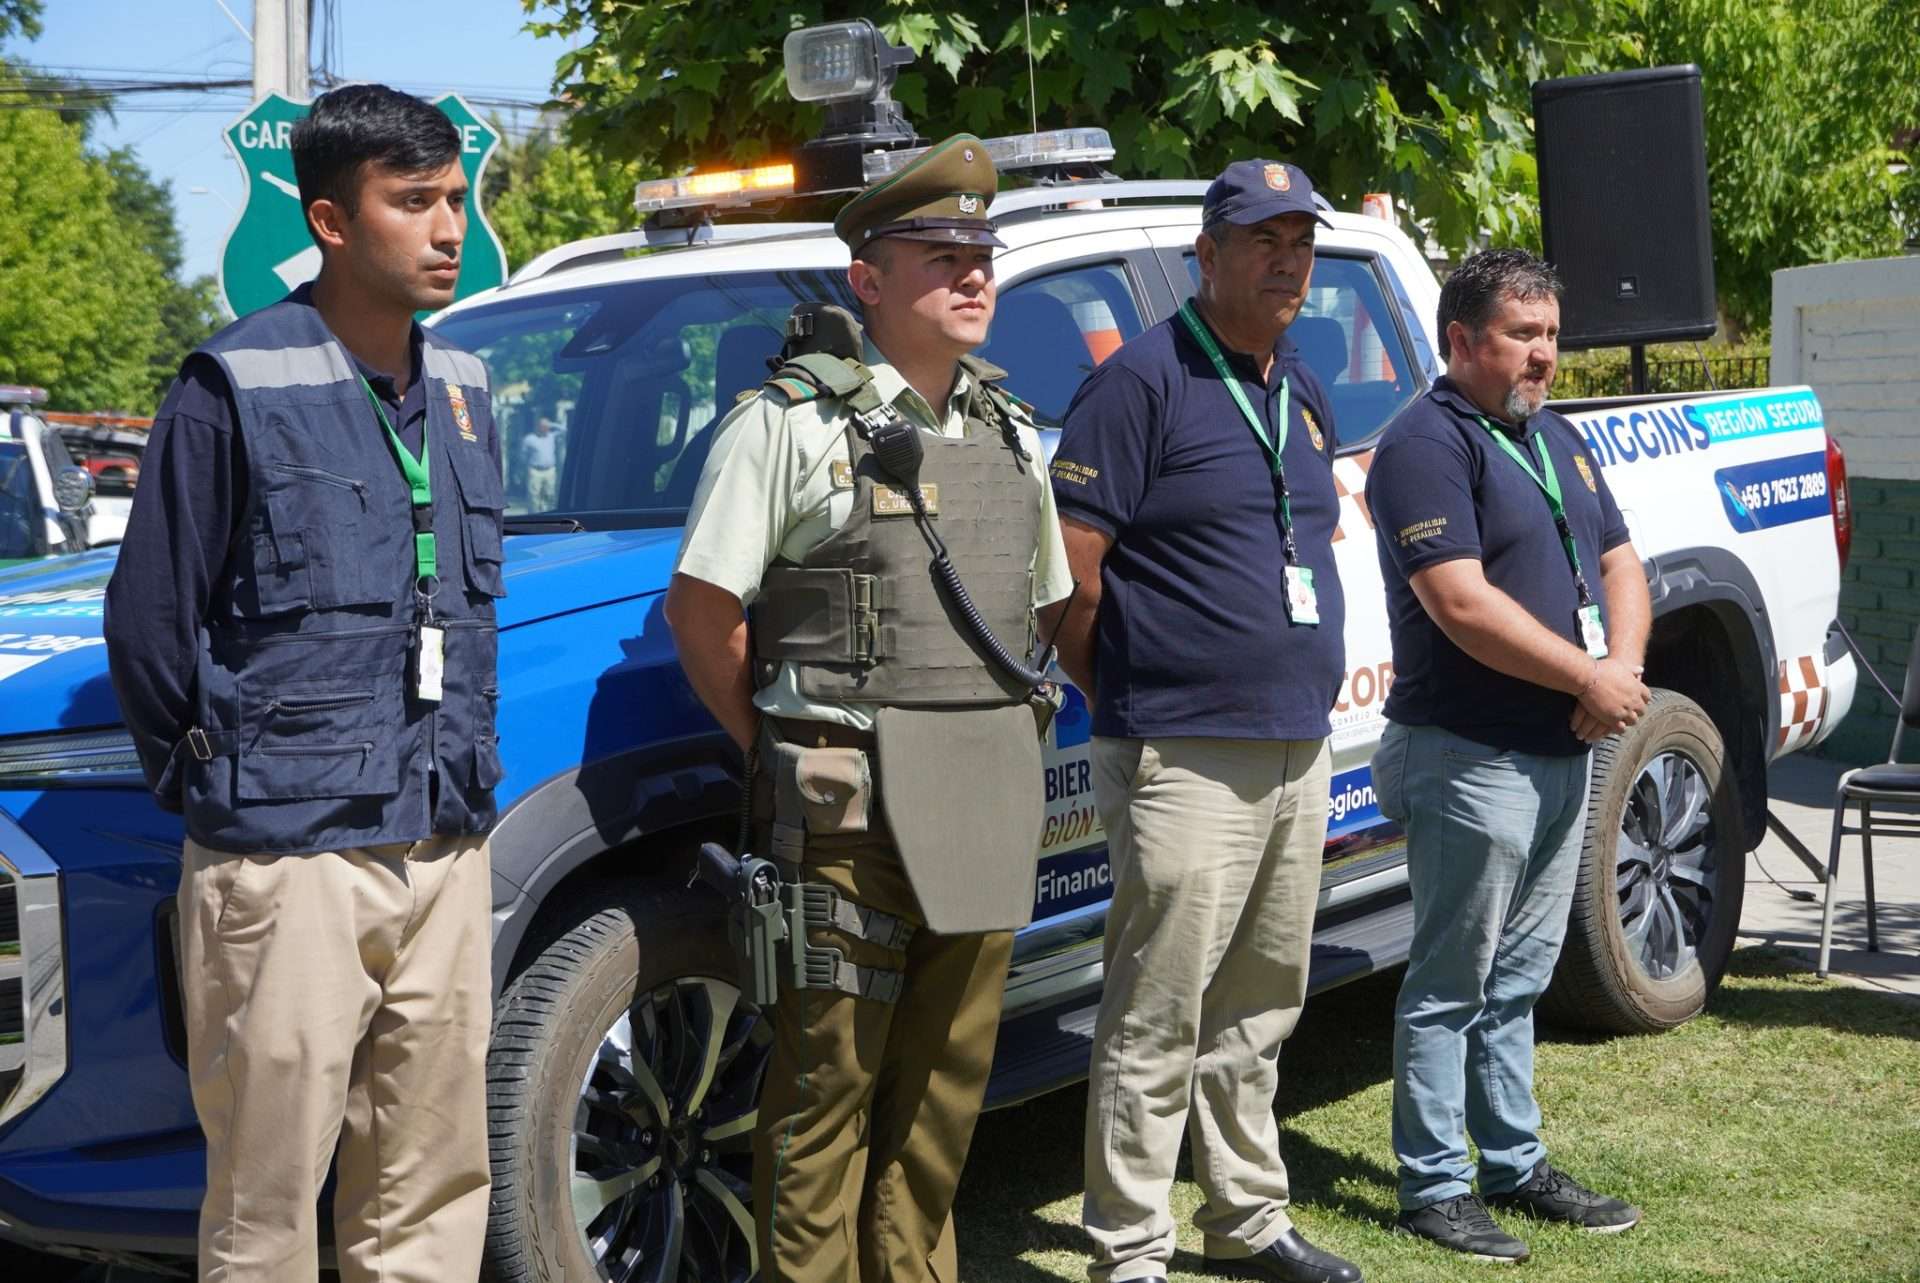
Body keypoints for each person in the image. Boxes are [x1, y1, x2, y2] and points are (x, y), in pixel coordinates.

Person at [102, 83, 505, 1282]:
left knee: (432, 1193)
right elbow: (152, 625)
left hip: (443, 837)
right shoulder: (231, 384)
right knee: (267, 1207)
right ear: (330, 221)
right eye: (414, 202)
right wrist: (222, 784)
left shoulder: (471, 389)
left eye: (455, 200)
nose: (447, 229)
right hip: (286, 862)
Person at [663, 133, 1073, 1283]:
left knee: (944, 1093)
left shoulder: (1009, 429)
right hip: (844, 813)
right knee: (825, 1089)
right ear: (869, 278)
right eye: (940, 255)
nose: (973, 275)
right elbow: (703, 612)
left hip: (982, 796)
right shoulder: (786, 426)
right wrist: (778, 745)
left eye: (981, 254)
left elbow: (1040, 602)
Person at [1048, 160, 1361, 1283]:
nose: (1287, 259)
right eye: (1263, 239)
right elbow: (1068, 581)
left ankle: (1246, 1216)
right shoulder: (1139, 384)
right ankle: (1131, 1242)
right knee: (1156, 1005)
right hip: (1179, 745)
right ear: (1209, 253)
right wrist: (1133, 695)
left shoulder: (1303, 383)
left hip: (1296, 736)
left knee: (1264, 998)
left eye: (1301, 241)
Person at [1364, 248, 1651, 1263]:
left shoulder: (1557, 437)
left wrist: (1616, 667)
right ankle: (1434, 1184)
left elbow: (1619, 559)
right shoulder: (1423, 446)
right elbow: (1460, 602)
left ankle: (1512, 1158)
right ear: (1460, 341)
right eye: (1522, 336)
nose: (1544, 356)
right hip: (1467, 752)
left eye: (1551, 335)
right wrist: (1587, 679)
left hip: (1556, 748)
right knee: (1452, 979)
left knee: (1521, 972)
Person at [522, 414, 559, 508]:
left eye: (547, 426)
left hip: (550, 470)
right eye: (543, 426)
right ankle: (534, 517)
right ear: (538, 426)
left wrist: (552, 424)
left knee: (550, 495)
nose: (545, 428)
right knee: (534, 497)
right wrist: (528, 468)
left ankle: (547, 515)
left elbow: (564, 430)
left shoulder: (552, 436)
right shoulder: (529, 439)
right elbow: (523, 455)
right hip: (535, 471)